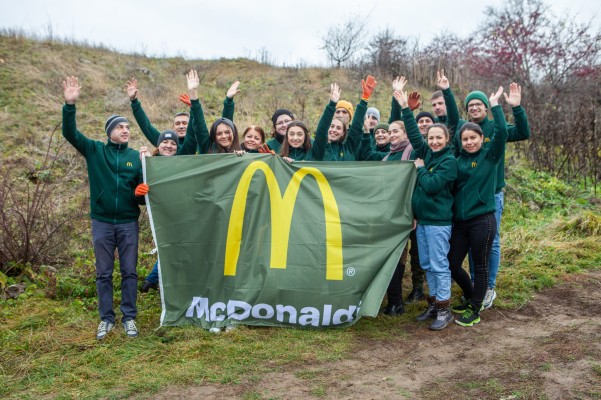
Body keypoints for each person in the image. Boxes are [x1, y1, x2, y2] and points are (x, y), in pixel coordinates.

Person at [62, 76, 142, 340]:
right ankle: (106, 319)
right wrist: (70, 105)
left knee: (130, 271)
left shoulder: (135, 158)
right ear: (109, 132)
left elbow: (141, 194)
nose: (125, 130)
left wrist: (140, 194)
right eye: (119, 127)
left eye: (127, 127)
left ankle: (129, 317)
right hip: (102, 222)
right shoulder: (95, 151)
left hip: (129, 222)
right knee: (104, 273)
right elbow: (70, 134)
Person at [443, 72, 530, 309]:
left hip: (492, 193)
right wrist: (447, 91)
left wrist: (516, 107)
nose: (474, 108)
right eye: (470, 105)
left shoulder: (494, 128)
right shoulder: (463, 130)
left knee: (489, 243)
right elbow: (451, 119)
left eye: (478, 104)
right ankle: (475, 289)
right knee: (470, 242)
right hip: (467, 196)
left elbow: (522, 132)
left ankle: (488, 287)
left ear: (485, 107)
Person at [395, 84, 458, 330]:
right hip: (422, 221)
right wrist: (404, 108)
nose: (433, 142)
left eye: (438, 138)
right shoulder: (427, 152)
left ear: (446, 139)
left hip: (438, 223)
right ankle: (432, 304)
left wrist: (420, 167)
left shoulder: (449, 162)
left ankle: (445, 308)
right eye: (430, 138)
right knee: (427, 264)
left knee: (440, 265)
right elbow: (412, 132)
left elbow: (431, 186)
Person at [447, 86, 509, 327]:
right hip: (461, 222)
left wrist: (496, 106)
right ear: (460, 142)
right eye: (466, 139)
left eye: (474, 138)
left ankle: (475, 307)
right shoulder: (458, 161)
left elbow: (503, 131)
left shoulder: (490, 157)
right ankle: (472, 294)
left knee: (480, 265)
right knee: (452, 264)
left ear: (481, 139)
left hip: (482, 220)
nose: (470, 142)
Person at [126, 77, 239, 154]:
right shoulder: (165, 144)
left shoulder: (202, 143)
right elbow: (147, 127)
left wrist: (228, 102)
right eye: (178, 123)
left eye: (185, 123)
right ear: (173, 127)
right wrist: (134, 102)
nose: (181, 126)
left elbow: (225, 127)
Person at [280, 83, 341, 163]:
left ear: (305, 136)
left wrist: (332, 104)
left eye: (299, 134)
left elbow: (322, 131)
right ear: (287, 136)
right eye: (291, 134)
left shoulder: (315, 153)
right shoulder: (280, 158)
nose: (295, 138)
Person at [321, 76, 377, 161]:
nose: (341, 115)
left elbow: (357, 125)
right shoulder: (321, 141)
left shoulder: (351, 143)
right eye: (338, 111)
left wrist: (364, 98)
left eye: (344, 112)